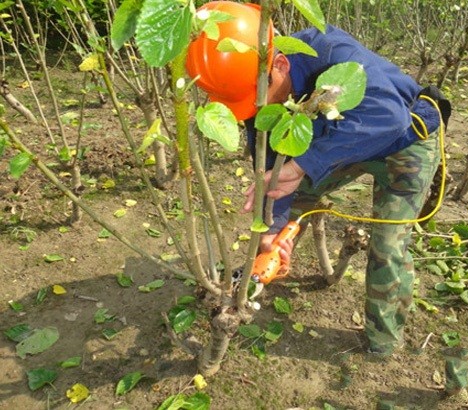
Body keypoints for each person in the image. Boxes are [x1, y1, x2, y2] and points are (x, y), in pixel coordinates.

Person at [186, 1, 450, 356]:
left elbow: (389, 118)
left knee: (388, 243)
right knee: (292, 193)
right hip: (333, 143)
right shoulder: (254, 87)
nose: (257, 110)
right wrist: (273, 227)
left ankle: (382, 343)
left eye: (256, 99)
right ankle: (272, 258)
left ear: (279, 64)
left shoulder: (328, 50)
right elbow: (272, 167)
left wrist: (303, 164)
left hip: (404, 141)